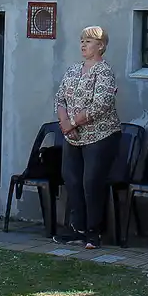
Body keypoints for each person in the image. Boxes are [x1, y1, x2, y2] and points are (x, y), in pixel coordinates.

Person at [53, 27, 120, 249]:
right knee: (72, 180)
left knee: (91, 182)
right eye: (82, 41)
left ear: (100, 46)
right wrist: (65, 125)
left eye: (89, 41)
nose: (83, 45)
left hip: (99, 136)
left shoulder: (104, 72)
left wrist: (73, 123)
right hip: (72, 137)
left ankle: (94, 232)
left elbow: (101, 104)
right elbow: (60, 98)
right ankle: (77, 229)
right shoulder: (73, 70)